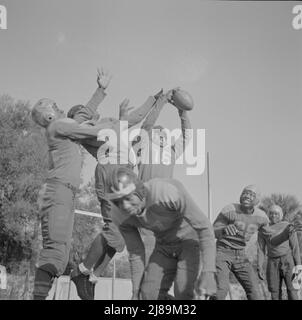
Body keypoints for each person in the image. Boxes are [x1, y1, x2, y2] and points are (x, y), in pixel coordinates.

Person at [69, 87, 176, 299]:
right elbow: (130, 121)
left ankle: (92, 276)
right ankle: (81, 271)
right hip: (112, 174)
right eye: (83, 112)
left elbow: (138, 120)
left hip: (125, 175)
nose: (90, 112)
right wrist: (99, 94)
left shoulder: (109, 125)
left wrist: (156, 99)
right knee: (115, 233)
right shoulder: (86, 128)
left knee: (120, 240)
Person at [31, 71, 120, 300]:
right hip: (57, 191)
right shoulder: (58, 126)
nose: (60, 107)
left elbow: (82, 116)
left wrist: (100, 90)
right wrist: (114, 125)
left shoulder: (63, 127)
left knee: (60, 255)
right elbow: (91, 129)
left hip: (65, 193)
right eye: (55, 106)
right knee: (54, 251)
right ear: (49, 115)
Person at [104, 166, 217, 300]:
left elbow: (204, 227)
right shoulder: (119, 215)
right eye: (118, 202)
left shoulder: (166, 191)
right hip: (163, 246)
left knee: (183, 293)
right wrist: (135, 292)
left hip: (189, 242)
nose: (125, 206)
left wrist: (209, 272)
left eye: (128, 198)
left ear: (139, 190)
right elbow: (135, 252)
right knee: (147, 295)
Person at [257, 204, 301, 300]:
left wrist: (298, 266)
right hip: (272, 263)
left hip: (288, 261)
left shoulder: (288, 226)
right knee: (274, 292)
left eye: (276, 213)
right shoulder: (263, 230)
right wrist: (259, 266)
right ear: (268, 215)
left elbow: (295, 248)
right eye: (271, 213)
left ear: (280, 215)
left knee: (292, 290)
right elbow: (260, 249)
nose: (273, 216)